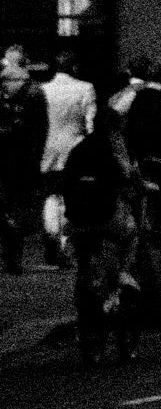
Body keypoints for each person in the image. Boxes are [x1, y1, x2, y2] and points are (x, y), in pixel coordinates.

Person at [61, 101, 148, 367]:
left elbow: (67, 183)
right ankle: (123, 296)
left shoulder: (79, 149)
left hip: (81, 223)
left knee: (83, 271)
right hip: (112, 220)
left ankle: (90, 326)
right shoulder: (117, 147)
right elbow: (132, 180)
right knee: (129, 254)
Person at [40, 50, 96, 266]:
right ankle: (65, 245)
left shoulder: (43, 90)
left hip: (49, 149)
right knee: (72, 198)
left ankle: (52, 235)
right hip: (76, 149)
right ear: (74, 66)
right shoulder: (85, 88)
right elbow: (90, 123)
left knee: (51, 195)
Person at [0, 47, 45, 273]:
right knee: (18, 206)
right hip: (24, 157)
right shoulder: (35, 91)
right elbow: (41, 130)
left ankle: (7, 243)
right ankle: (14, 255)